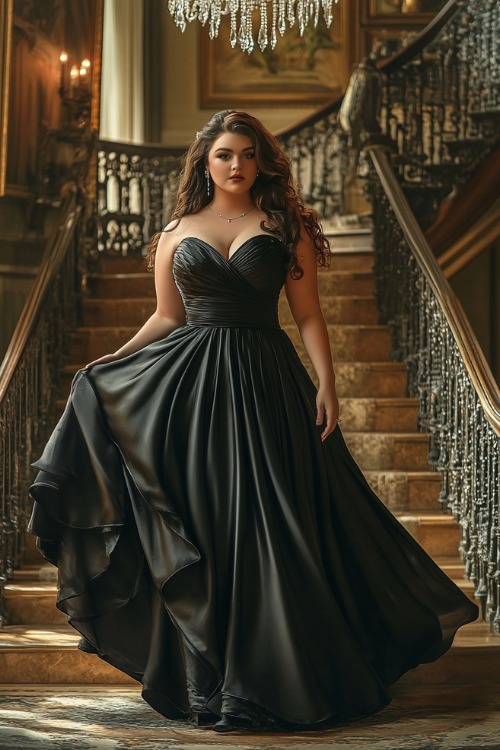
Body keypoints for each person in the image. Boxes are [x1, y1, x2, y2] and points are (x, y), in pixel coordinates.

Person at [28, 110, 478, 734]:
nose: (235, 165)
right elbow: (167, 317)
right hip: (194, 392)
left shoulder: (286, 226)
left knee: (276, 524)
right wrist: (116, 359)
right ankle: (212, 681)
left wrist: (328, 383)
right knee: (210, 528)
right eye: (222, 155)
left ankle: (284, 674)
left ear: (260, 160)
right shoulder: (176, 231)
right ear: (204, 164)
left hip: (269, 383)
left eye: (245, 154)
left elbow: (310, 317)